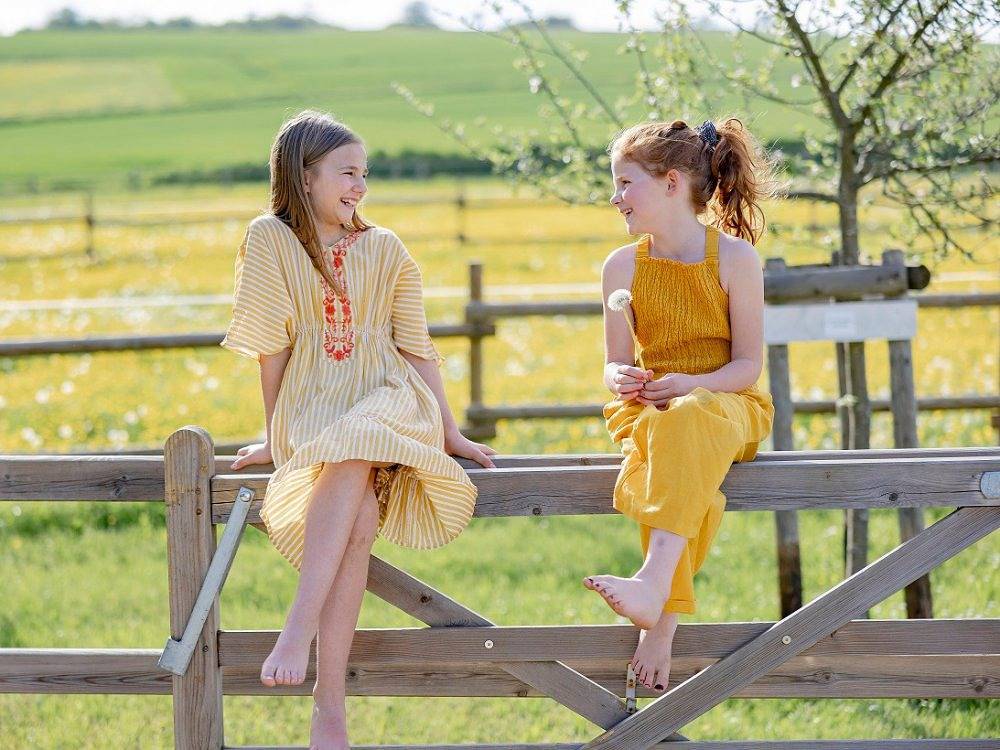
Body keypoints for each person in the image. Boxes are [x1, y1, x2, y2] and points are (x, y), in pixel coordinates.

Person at [222, 110, 495, 749]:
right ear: (305, 175)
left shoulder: (386, 248)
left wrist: (450, 432)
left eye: (364, 175)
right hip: (314, 402)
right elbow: (272, 349)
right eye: (348, 173)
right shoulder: (270, 240)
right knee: (359, 514)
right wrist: (276, 437)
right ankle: (330, 704)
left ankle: (296, 630)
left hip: (390, 398)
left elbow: (417, 347)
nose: (360, 187)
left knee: (356, 446)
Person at [584, 118, 776, 695]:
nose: (615, 197)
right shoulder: (621, 267)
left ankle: (655, 601)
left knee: (688, 422)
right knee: (679, 448)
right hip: (653, 408)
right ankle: (659, 611)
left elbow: (748, 366)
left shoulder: (735, 259)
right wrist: (623, 378)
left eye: (625, 183)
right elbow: (613, 363)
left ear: (670, 183)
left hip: (729, 403)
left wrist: (692, 383)